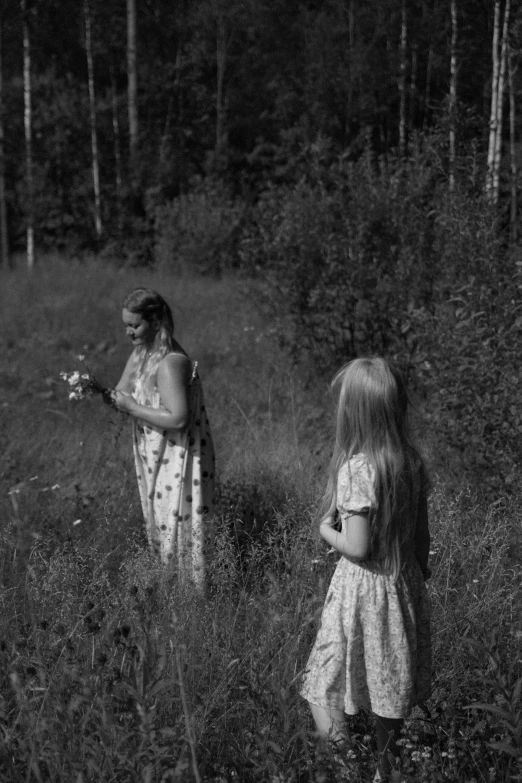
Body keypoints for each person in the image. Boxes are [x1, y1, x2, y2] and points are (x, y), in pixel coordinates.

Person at [300, 358, 431, 782]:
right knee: (387, 684)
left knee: (323, 682)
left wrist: (325, 529)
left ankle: (345, 767)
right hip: (402, 584)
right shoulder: (410, 462)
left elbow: (356, 546)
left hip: (362, 590)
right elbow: (421, 541)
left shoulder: (358, 468)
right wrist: (412, 583)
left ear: (353, 411)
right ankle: (385, 770)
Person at [109, 287, 215, 590]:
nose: (129, 333)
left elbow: (179, 419)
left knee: (182, 533)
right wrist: (94, 389)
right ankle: (172, 600)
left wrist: (131, 407)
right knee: (162, 531)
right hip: (156, 454)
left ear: (155, 321)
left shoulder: (170, 362)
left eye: (135, 325)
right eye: (126, 326)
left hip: (180, 458)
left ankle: (192, 607)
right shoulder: (143, 354)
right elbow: (122, 392)